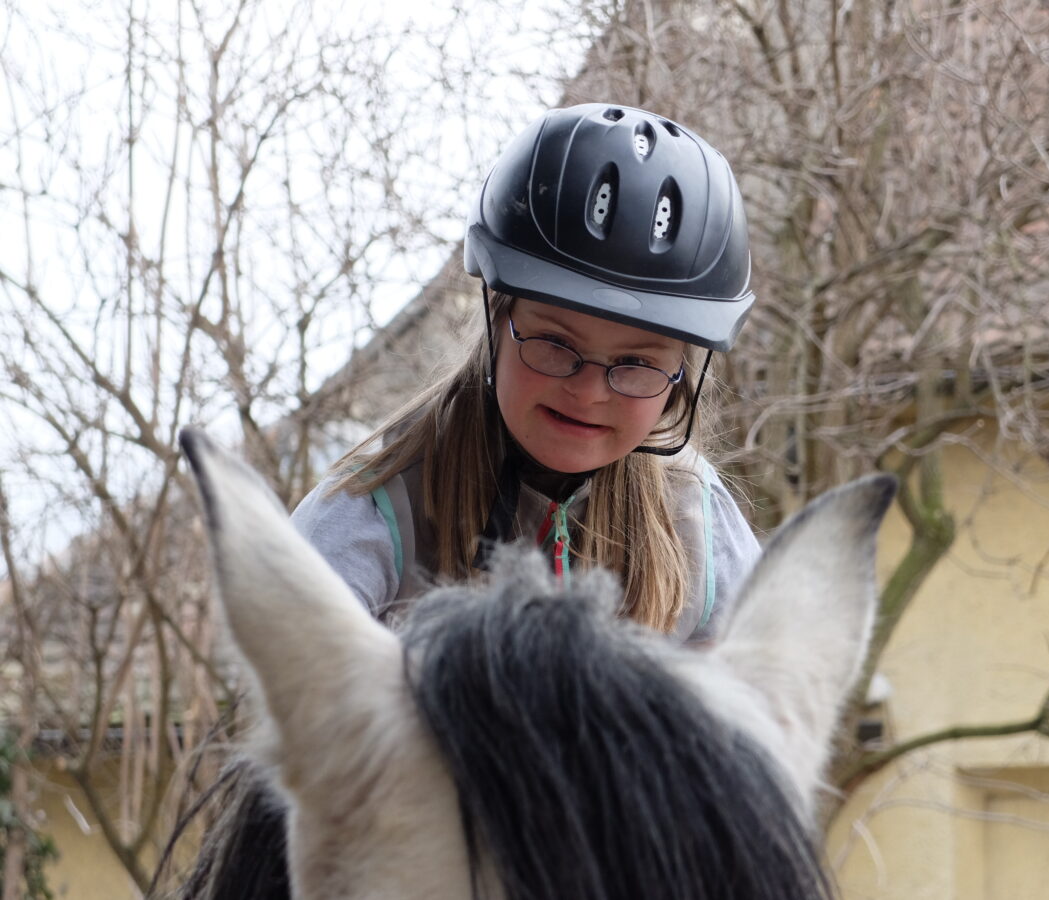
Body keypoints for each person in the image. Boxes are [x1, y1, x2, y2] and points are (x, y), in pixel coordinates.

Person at [168, 102, 760, 899]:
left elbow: (738, 763)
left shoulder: (702, 530)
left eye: (637, 364)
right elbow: (307, 733)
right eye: (553, 342)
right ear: (497, 314)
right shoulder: (368, 510)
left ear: (683, 374)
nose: (588, 389)